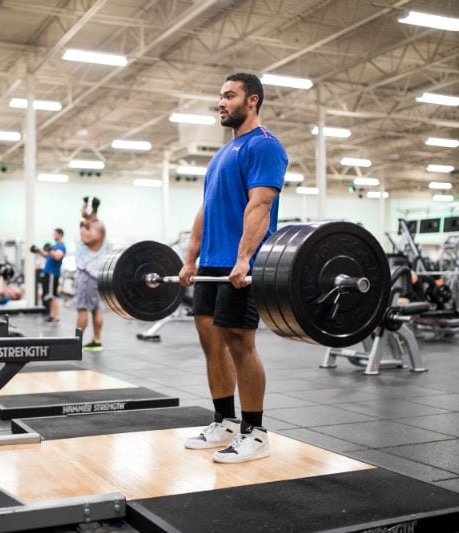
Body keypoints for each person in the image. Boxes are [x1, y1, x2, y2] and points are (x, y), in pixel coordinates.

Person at [178, 73, 287, 464]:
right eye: (220, 96)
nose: (221, 103)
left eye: (229, 95)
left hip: (242, 261)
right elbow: (205, 210)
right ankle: (224, 420)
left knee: (241, 342)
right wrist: (191, 259)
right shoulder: (221, 154)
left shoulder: (265, 146)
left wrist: (245, 258)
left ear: (252, 100)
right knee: (211, 342)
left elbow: (260, 206)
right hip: (211, 262)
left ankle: (255, 432)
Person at [76, 196, 107, 351]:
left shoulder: (97, 225)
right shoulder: (93, 225)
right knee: (95, 308)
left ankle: (76, 344)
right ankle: (96, 341)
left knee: (83, 308)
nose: (81, 210)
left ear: (88, 208)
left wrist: (82, 226)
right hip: (92, 274)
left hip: (89, 274)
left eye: (83, 207)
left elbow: (88, 238)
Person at [32, 228, 66, 323]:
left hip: (52, 274)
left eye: (55, 233)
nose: (53, 235)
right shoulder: (54, 246)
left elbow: (58, 256)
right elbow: (46, 254)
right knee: (48, 295)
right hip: (48, 273)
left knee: (52, 295)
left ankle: (55, 316)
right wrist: (38, 249)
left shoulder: (61, 246)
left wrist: (50, 250)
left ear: (60, 234)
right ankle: (52, 315)